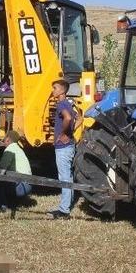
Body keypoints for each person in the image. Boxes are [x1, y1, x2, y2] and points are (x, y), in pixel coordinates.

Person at [48, 79, 76, 220]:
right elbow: (80, 119)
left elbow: (68, 117)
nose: (53, 91)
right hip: (69, 145)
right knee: (68, 176)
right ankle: (66, 205)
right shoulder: (69, 104)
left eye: (54, 88)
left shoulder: (61, 104)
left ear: (62, 91)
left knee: (64, 177)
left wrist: (64, 134)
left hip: (63, 147)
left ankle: (64, 210)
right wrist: (70, 133)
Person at [0, 130, 32, 212]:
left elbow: (1, 169)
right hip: (28, 184)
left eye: (4, 140)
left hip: (22, 186)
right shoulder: (18, 149)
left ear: (8, 139)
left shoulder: (10, 149)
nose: (4, 143)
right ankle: (15, 202)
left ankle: (3, 206)